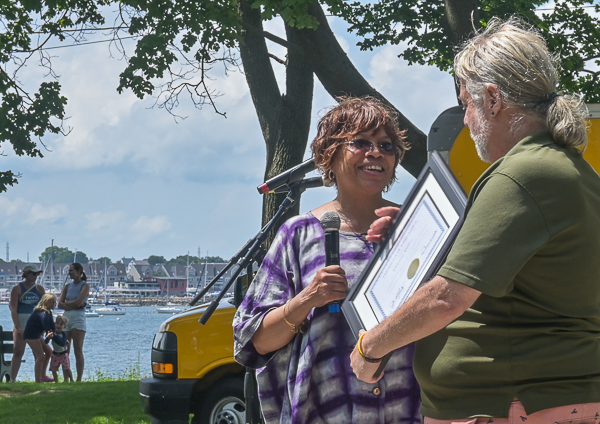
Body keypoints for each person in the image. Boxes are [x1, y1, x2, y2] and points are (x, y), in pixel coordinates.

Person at [350, 17, 600, 424]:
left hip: (511, 403)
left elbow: (447, 298)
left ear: (494, 99)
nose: (465, 119)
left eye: (467, 103)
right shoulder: (563, 169)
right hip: (532, 399)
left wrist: (369, 347)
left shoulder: (521, 174)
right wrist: (418, 237)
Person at [234, 96, 421, 424]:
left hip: (407, 409)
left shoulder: (418, 227)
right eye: (361, 142)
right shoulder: (299, 234)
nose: (375, 152)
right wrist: (307, 299)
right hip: (324, 412)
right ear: (328, 155)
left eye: (386, 145)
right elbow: (253, 343)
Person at [9, 264, 53, 382]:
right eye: (33, 274)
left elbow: (45, 308)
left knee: (39, 352)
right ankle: (13, 379)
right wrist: (17, 326)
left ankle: (39, 377)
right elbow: (13, 308)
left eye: (37, 274)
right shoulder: (17, 289)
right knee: (18, 351)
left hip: (35, 323)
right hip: (21, 320)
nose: (36, 276)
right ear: (27, 274)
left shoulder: (39, 289)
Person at [58, 262, 89, 382]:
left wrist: (68, 304)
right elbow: (60, 303)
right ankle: (66, 377)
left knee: (78, 349)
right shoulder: (67, 286)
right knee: (65, 349)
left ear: (78, 272)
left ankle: (79, 379)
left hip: (78, 317)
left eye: (71, 270)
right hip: (66, 317)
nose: (69, 273)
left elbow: (80, 301)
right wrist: (72, 304)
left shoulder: (84, 285)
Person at [23, 293, 57, 383]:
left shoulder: (48, 312)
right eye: (52, 302)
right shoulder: (42, 312)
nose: (54, 304)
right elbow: (45, 323)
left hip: (37, 335)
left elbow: (52, 326)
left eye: (55, 302)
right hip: (30, 335)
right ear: (45, 302)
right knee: (41, 357)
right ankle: (38, 381)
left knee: (49, 352)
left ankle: (42, 375)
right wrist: (49, 332)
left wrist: (54, 332)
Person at [46, 315, 73, 383]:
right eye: (57, 323)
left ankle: (71, 379)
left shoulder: (64, 334)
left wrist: (54, 336)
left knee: (66, 368)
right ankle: (56, 381)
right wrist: (49, 337)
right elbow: (45, 342)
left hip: (63, 353)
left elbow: (62, 343)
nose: (58, 325)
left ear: (64, 327)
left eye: (61, 324)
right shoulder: (52, 333)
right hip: (55, 353)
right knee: (53, 369)